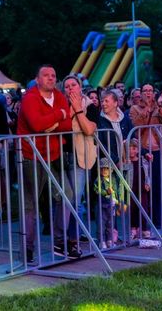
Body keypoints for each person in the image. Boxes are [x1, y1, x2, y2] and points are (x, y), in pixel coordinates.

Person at [17, 64, 78, 262]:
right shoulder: (30, 98)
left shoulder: (59, 96)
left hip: (54, 155)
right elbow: (37, 125)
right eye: (46, 75)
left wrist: (52, 123)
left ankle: (59, 241)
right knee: (31, 204)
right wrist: (59, 115)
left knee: (67, 195)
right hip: (31, 156)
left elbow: (68, 125)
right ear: (37, 79)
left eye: (53, 75)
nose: (51, 78)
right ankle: (27, 249)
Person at [62, 75, 98, 245]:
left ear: (80, 87)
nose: (70, 88)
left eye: (73, 85)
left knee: (76, 198)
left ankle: (74, 238)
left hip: (80, 156)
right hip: (60, 156)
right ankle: (65, 235)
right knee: (63, 199)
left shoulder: (90, 106)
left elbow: (89, 130)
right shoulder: (60, 105)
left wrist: (77, 109)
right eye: (67, 86)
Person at [129, 83, 162, 230]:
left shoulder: (158, 106)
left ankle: (160, 222)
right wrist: (147, 108)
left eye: (150, 91)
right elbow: (137, 125)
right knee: (144, 188)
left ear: (154, 93)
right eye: (145, 90)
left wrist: (160, 106)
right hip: (143, 151)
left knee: (159, 186)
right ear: (140, 93)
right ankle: (144, 224)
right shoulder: (135, 108)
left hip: (159, 150)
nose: (148, 93)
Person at [124, 138, 152, 240]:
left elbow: (148, 173)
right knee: (132, 209)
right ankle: (133, 229)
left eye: (134, 148)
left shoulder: (142, 161)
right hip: (131, 188)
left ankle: (144, 229)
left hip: (142, 189)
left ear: (138, 149)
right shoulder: (126, 162)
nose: (131, 151)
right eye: (129, 148)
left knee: (144, 208)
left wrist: (148, 183)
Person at [94, 158, 125, 248]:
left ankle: (109, 240)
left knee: (110, 224)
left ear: (111, 170)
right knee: (101, 224)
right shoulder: (98, 180)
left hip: (112, 205)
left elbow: (118, 191)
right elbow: (97, 190)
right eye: (102, 168)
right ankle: (102, 241)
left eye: (107, 168)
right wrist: (106, 192)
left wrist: (119, 202)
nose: (104, 170)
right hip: (102, 205)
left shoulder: (114, 179)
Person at [98, 90, 132, 165]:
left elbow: (133, 139)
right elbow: (100, 144)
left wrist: (145, 153)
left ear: (115, 103)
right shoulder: (99, 121)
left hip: (126, 162)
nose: (103, 104)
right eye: (102, 101)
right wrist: (116, 161)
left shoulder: (125, 119)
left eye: (106, 101)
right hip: (108, 164)